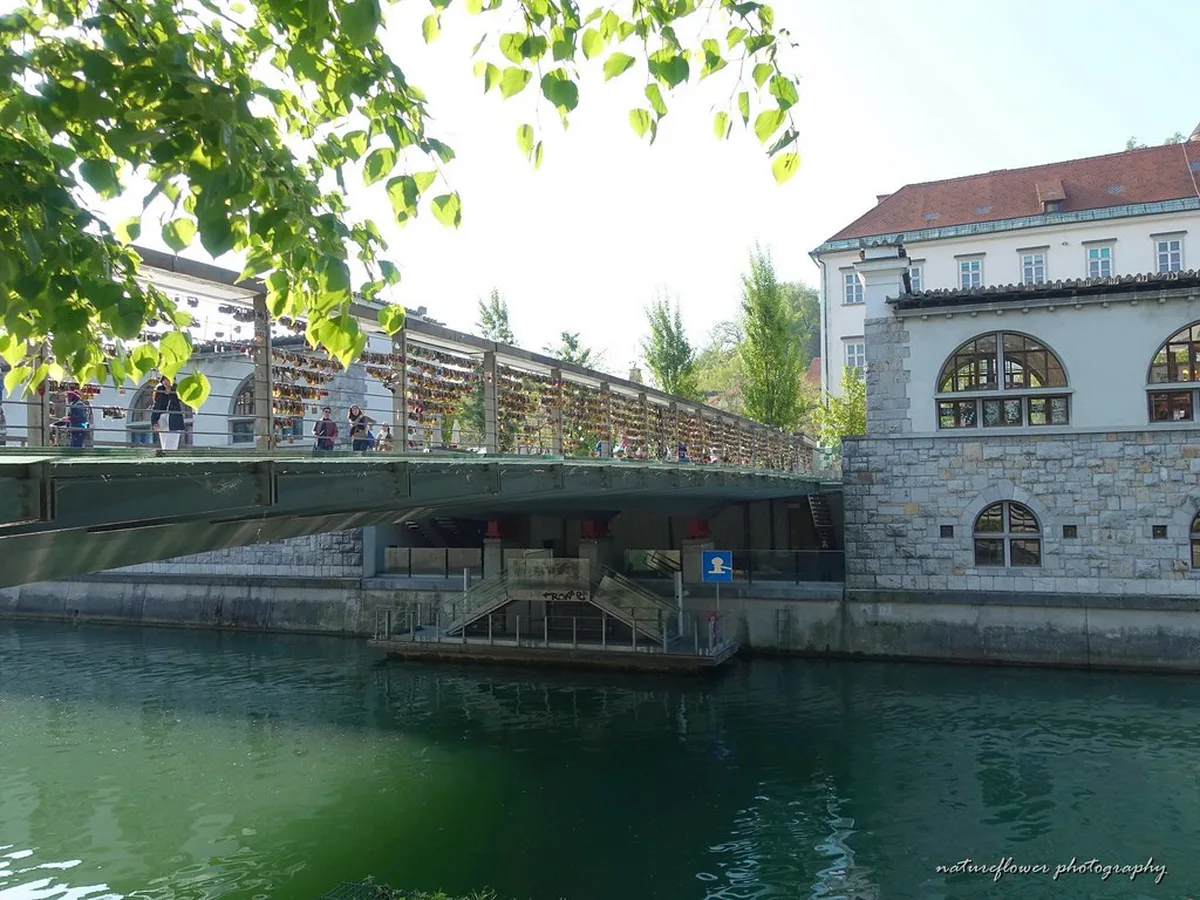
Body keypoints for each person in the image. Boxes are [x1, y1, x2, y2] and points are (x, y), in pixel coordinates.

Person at [151, 376, 185, 453]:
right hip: (162, 418)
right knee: (164, 440)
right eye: (164, 380)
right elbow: (156, 407)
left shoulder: (176, 391)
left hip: (173, 418)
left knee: (172, 440)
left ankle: (169, 456)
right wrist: (154, 422)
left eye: (168, 380)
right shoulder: (160, 391)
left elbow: (181, 399)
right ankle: (166, 455)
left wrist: (172, 391)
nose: (166, 382)